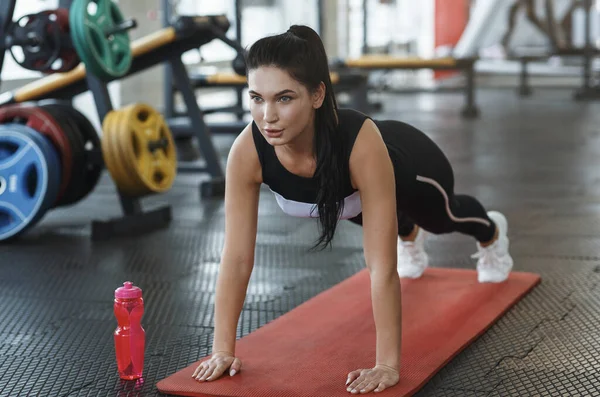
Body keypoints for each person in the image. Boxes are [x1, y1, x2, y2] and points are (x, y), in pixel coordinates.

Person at [191, 25, 514, 394]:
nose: (267, 116)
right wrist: (222, 350)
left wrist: (386, 365)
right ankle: (407, 235)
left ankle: (492, 233)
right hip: (350, 198)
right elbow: (235, 258)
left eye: (283, 98)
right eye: (256, 98)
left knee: (444, 218)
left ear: (316, 95)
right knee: (375, 218)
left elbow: (380, 267)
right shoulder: (248, 150)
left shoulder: (360, 143)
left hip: (411, 166)